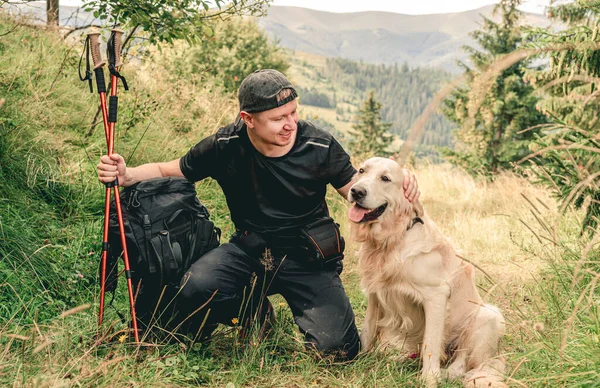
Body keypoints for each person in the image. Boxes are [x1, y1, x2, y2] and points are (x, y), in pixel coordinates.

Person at [97, 69, 420, 361]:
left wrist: (397, 184)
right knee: (196, 287)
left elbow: (358, 190)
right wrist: (127, 174)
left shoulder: (319, 145)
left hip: (308, 259)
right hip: (248, 251)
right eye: (278, 117)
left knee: (336, 351)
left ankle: (310, 320)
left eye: (293, 113)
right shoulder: (225, 144)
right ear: (248, 119)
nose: (290, 123)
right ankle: (253, 310)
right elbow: (172, 170)